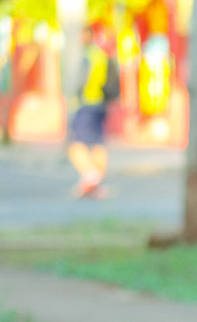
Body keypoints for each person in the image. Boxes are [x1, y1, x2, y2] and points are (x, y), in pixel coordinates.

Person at [67, 25, 114, 199]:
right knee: (97, 144)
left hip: (86, 103)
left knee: (76, 145)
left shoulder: (87, 57)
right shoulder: (101, 55)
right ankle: (97, 183)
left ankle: (91, 176)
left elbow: (81, 81)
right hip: (101, 104)